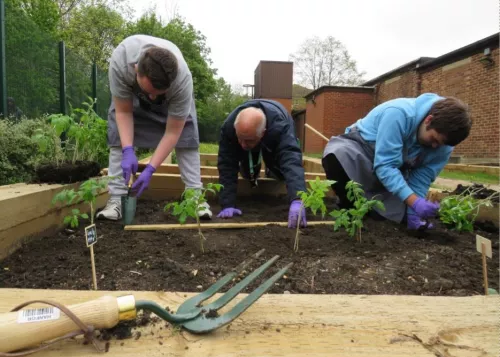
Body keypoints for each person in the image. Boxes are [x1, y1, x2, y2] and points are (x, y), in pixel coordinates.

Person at [96, 34, 212, 221]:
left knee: (188, 137)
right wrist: (127, 150)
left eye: (157, 93)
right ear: (136, 70)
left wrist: (151, 168)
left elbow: (174, 132)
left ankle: (195, 197)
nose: (151, 98)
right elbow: (124, 113)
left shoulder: (182, 80)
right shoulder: (121, 61)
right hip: (132, 100)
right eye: (149, 92)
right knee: (118, 133)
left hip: (170, 104)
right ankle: (116, 198)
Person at [321, 93, 472, 230]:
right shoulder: (398, 114)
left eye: (440, 144)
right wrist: (414, 201)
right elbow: (385, 165)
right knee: (336, 154)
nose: (434, 147)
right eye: (433, 140)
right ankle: (349, 205)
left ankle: (371, 208)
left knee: (392, 218)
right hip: (362, 153)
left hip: (394, 171)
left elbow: (422, 176)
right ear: (428, 120)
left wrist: (413, 212)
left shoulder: (444, 146)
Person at [217, 99, 307, 228]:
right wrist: (227, 203)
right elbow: (226, 164)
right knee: (247, 170)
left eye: (248, 140)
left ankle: (272, 168)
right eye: (240, 139)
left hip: (276, 126)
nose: (242, 144)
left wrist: (298, 198)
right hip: (255, 132)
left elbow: (291, 160)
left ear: (263, 133)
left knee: (279, 170)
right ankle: (252, 169)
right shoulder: (229, 127)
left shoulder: (280, 127)